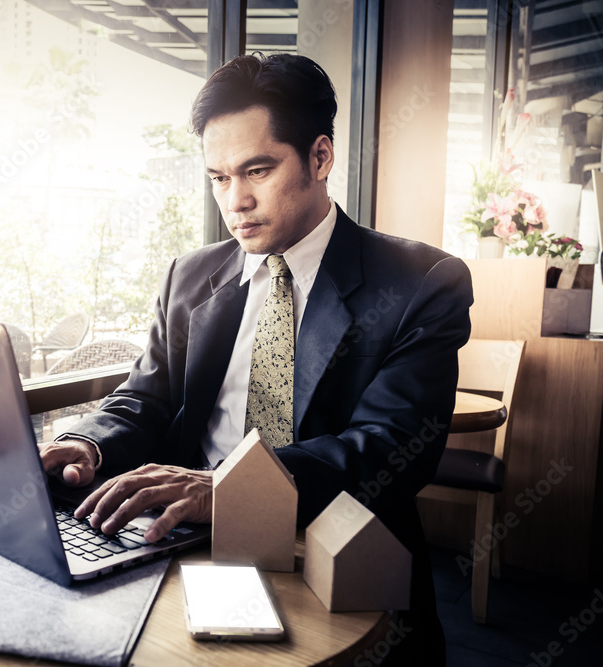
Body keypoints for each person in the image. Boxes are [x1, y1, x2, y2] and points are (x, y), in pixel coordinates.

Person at [39, 53, 471, 664]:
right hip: (183, 548)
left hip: (330, 555)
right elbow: (147, 397)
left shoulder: (420, 282)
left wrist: (231, 487)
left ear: (319, 158)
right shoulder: (189, 277)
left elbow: (393, 447)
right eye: (218, 178)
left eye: (257, 171)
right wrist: (89, 444)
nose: (234, 201)